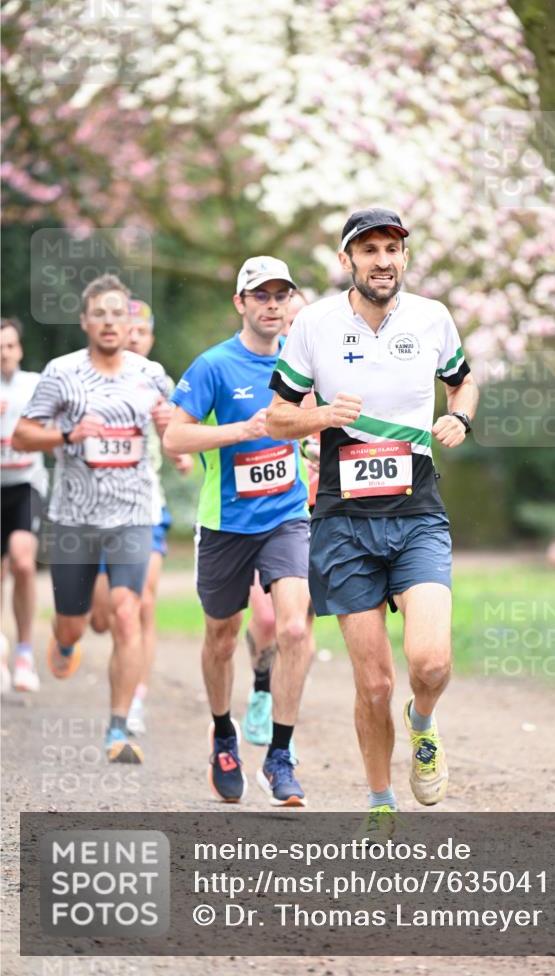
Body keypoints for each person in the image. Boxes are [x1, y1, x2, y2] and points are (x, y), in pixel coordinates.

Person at [266, 208, 478, 821]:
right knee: (375, 682)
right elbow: (277, 418)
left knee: (431, 663)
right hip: (343, 523)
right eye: (369, 250)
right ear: (347, 260)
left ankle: (423, 722)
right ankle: (381, 801)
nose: (382, 261)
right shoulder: (314, 324)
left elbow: (462, 382)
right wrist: (322, 415)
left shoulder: (432, 318)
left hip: (417, 515)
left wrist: (459, 417)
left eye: (391, 249)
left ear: (403, 258)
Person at [164, 256, 312, 807]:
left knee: (293, 629)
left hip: (287, 515)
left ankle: (280, 755)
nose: (272, 305)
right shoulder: (213, 366)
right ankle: (224, 736)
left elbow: (314, 422)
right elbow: (174, 439)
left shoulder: (301, 364)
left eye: (280, 295)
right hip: (225, 523)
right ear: (240, 303)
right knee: (222, 635)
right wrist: (238, 431)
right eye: (260, 295)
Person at [12, 275, 172, 764]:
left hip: (133, 514)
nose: (108, 322)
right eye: (99, 313)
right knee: (73, 625)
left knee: (126, 611)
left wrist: (170, 427)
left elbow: (176, 428)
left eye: (117, 313)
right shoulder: (62, 373)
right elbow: (22, 435)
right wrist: (68, 436)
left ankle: (119, 728)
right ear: (85, 321)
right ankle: (63, 640)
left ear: (128, 322)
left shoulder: (151, 374)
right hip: (74, 519)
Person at [89, 299, 193, 735]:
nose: (133, 337)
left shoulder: (157, 380)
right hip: (96, 511)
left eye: (141, 331)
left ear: (150, 338)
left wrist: (180, 453)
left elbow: (175, 432)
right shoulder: (91, 376)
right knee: (101, 616)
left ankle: (135, 697)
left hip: (146, 507)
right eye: (127, 329)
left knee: (140, 604)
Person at [241, 288, 316, 748]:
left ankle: (285, 720)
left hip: (321, 513)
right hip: (266, 514)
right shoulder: (256, 374)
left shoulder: (327, 376)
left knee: (298, 627)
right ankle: (260, 688)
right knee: (267, 620)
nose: (292, 329)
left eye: (301, 323)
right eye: (288, 321)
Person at [0, 317, 48, 693]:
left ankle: (25, 652)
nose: (4, 353)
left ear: (20, 349)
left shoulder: (35, 385)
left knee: (23, 562)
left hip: (26, 485)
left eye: (10, 345)